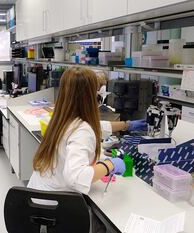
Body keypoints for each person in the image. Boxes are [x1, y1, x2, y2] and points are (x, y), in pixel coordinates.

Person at [28, 67, 125, 232]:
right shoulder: (81, 130)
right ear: (89, 96)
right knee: (104, 224)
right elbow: (76, 177)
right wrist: (110, 165)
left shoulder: (60, 119)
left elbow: (93, 127)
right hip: (55, 213)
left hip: (34, 204)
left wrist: (126, 125)